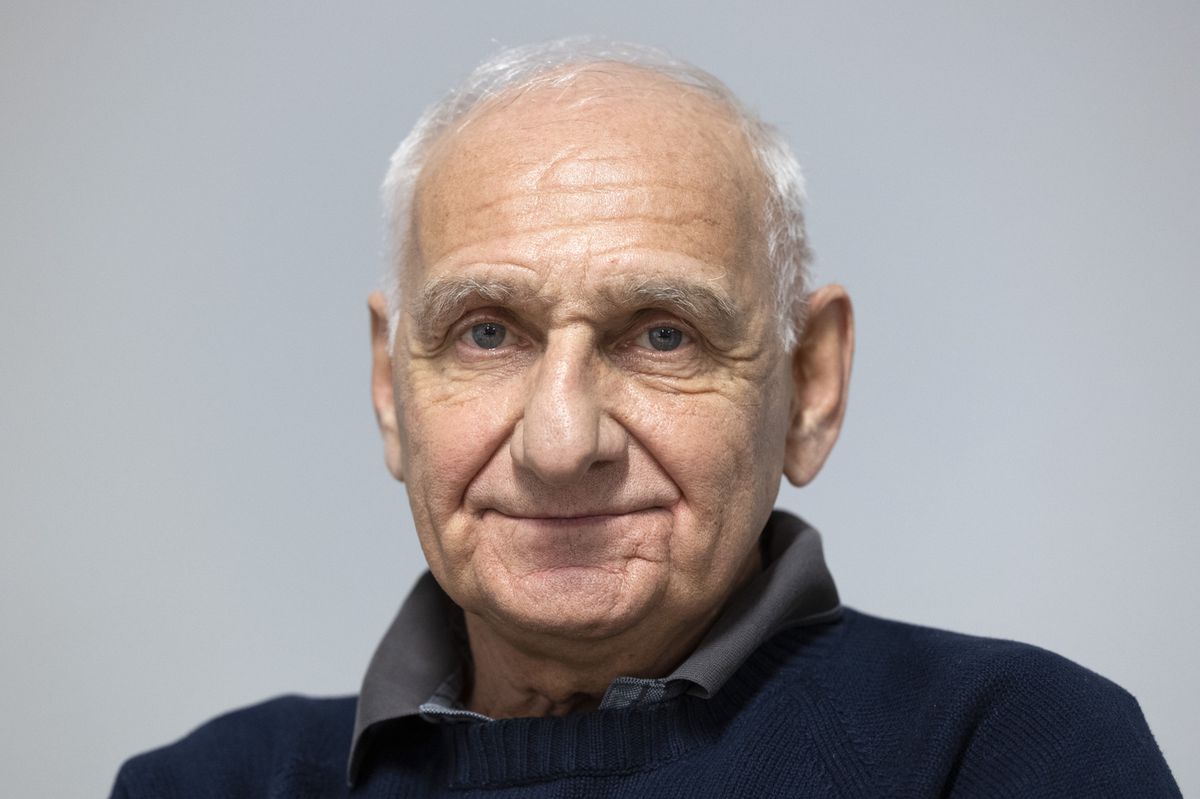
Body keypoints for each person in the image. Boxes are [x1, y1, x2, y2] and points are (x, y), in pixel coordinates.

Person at [110, 37, 1179, 797]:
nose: (561, 444)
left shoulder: (1002, 749)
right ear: (394, 392)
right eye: (487, 332)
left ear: (810, 386)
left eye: (662, 334)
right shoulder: (209, 783)